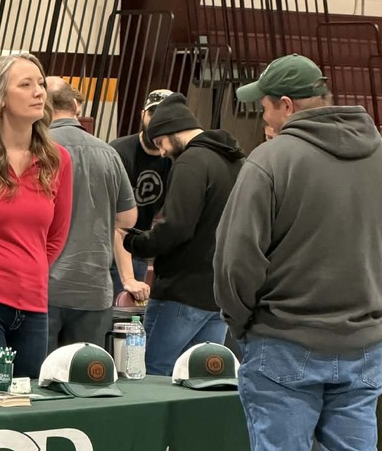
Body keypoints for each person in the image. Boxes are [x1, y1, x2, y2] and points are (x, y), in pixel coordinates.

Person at [214, 54, 382, 451]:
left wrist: (242, 325)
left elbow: (236, 260)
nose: (261, 117)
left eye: (263, 105)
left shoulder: (271, 161)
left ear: (287, 105)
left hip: (282, 344)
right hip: (364, 346)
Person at [0, 53, 73, 378]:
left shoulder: (58, 159)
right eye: (26, 85)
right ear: (0, 97)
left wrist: (26, 270)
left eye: (40, 83)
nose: (39, 92)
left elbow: (56, 236)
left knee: (28, 403)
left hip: (34, 304)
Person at [122, 93, 244, 376]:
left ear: (170, 130)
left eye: (161, 143)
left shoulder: (191, 162)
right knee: (203, 378)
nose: (162, 152)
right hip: (219, 295)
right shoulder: (236, 162)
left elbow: (175, 227)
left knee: (152, 374)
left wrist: (133, 241)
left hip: (181, 292)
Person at [45, 76, 146, 350]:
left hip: (45, 290)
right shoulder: (109, 153)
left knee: (35, 382)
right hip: (94, 289)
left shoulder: (38, 150)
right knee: (85, 381)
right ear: (76, 108)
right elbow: (127, 220)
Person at [111, 89, 174, 281]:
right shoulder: (118, 151)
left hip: (139, 249)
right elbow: (113, 217)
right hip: (107, 249)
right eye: (153, 113)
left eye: (164, 115)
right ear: (142, 114)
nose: (157, 121)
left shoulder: (177, 160)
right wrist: (128, 278)